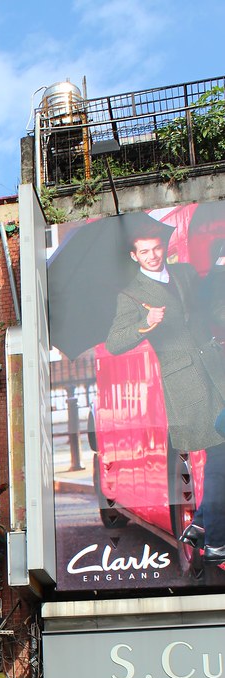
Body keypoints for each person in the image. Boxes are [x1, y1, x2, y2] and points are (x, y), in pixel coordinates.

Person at [105, 213, 225, 561]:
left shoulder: (185, 273)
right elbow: (114, 343)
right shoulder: (131, 295)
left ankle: (201, 524)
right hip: (185, 385)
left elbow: (209, 309)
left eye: (156, 249)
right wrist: (145, 323)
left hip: (216, 372)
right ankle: (216, 541)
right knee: (219, 451)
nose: (153, 256)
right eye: (145, 252)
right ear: (134, 256)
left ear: (164, 248)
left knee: (222, 451)